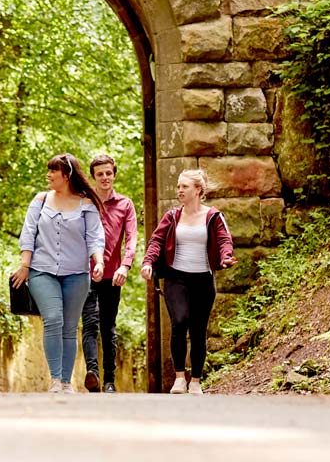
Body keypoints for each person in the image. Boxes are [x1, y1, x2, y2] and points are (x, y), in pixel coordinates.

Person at [12, 153, 105, 393]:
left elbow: (95, 237)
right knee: (53, 319)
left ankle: (66, 381)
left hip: (76, 274)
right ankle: (55, 379)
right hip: (42, 270)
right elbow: (28, 232)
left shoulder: (87, 204)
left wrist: (98, 262)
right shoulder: (41, 200)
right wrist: (25, 265)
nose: (49, 175)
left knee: (70, 326)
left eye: (54, 171)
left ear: (67, 175)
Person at [140, 169, 236, 395]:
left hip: (203, 279)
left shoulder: (213, 216)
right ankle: (180, 378)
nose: (179, 190)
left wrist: (225, 257)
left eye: (184, 186)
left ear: (198, 191)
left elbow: (224, 240)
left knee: (199, 330)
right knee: (179, 322)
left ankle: (196, 380)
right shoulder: (172, 216)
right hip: (176, 277)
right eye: (178, 186)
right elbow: (156, 240)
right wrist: (148, 262)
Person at [80, 154, 138, 393]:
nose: (105, 177)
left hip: (113, 275)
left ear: (114, 174)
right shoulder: (84, 202)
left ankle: (110, 380)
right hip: (84, 273)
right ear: (93, 177)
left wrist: (125, 265)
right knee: (90, 324)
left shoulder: (125, 204)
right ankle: (92, 374)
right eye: (100, 174)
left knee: (108, 327)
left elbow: (132, 238)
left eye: (108, 173)